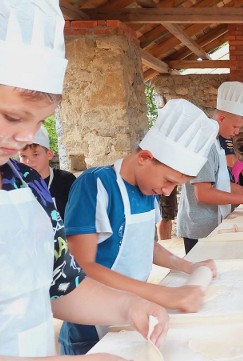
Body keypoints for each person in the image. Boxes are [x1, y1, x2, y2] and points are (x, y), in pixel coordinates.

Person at [0, 0, 168, 358]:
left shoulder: (26, 183)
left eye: (37, 123)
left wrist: (129, 307)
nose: (22, 139)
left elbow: (61, 286)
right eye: (13, 117)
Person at [60, 99, 218, 354]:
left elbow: (147, 245)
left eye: (175, 186)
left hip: (131, 312)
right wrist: (161, 294)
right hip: (91, 325)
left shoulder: (148, 189)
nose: (167, 191)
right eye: (168, 181)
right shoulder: (96, 185)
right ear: (145, 157)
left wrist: (188, 266)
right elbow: (81, 267)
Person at [177, 81, 243, 253]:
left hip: (213, 223)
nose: (237, 132)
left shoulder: (216, 142)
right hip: (200, 229)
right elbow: (203, 193)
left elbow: (217, 182)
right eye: (235, 127)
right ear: (221, 118)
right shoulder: (204, 144)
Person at [18, 127, 76, 220]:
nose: (28, 161)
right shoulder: (16, 185)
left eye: (35, 154)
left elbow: (77, 216)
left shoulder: (66, 180)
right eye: (23, 156)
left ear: (49, 154)